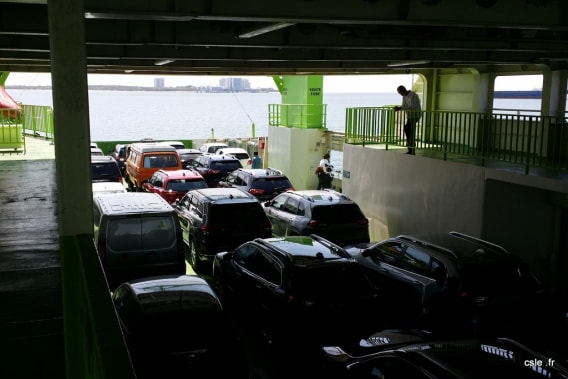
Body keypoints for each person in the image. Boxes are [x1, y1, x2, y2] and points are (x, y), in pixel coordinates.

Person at [394, 85, 422, 155]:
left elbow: (412, 107)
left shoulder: (413, 95)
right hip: (410, 116)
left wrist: (400, 108)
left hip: (415, 115)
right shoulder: (404, 96)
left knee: (409, 130)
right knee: (408, 130)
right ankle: (411, 147)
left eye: (400, 93)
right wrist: (399, 108)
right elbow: (404, 106)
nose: (400, 94)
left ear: (403, 90)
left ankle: (411, 148)